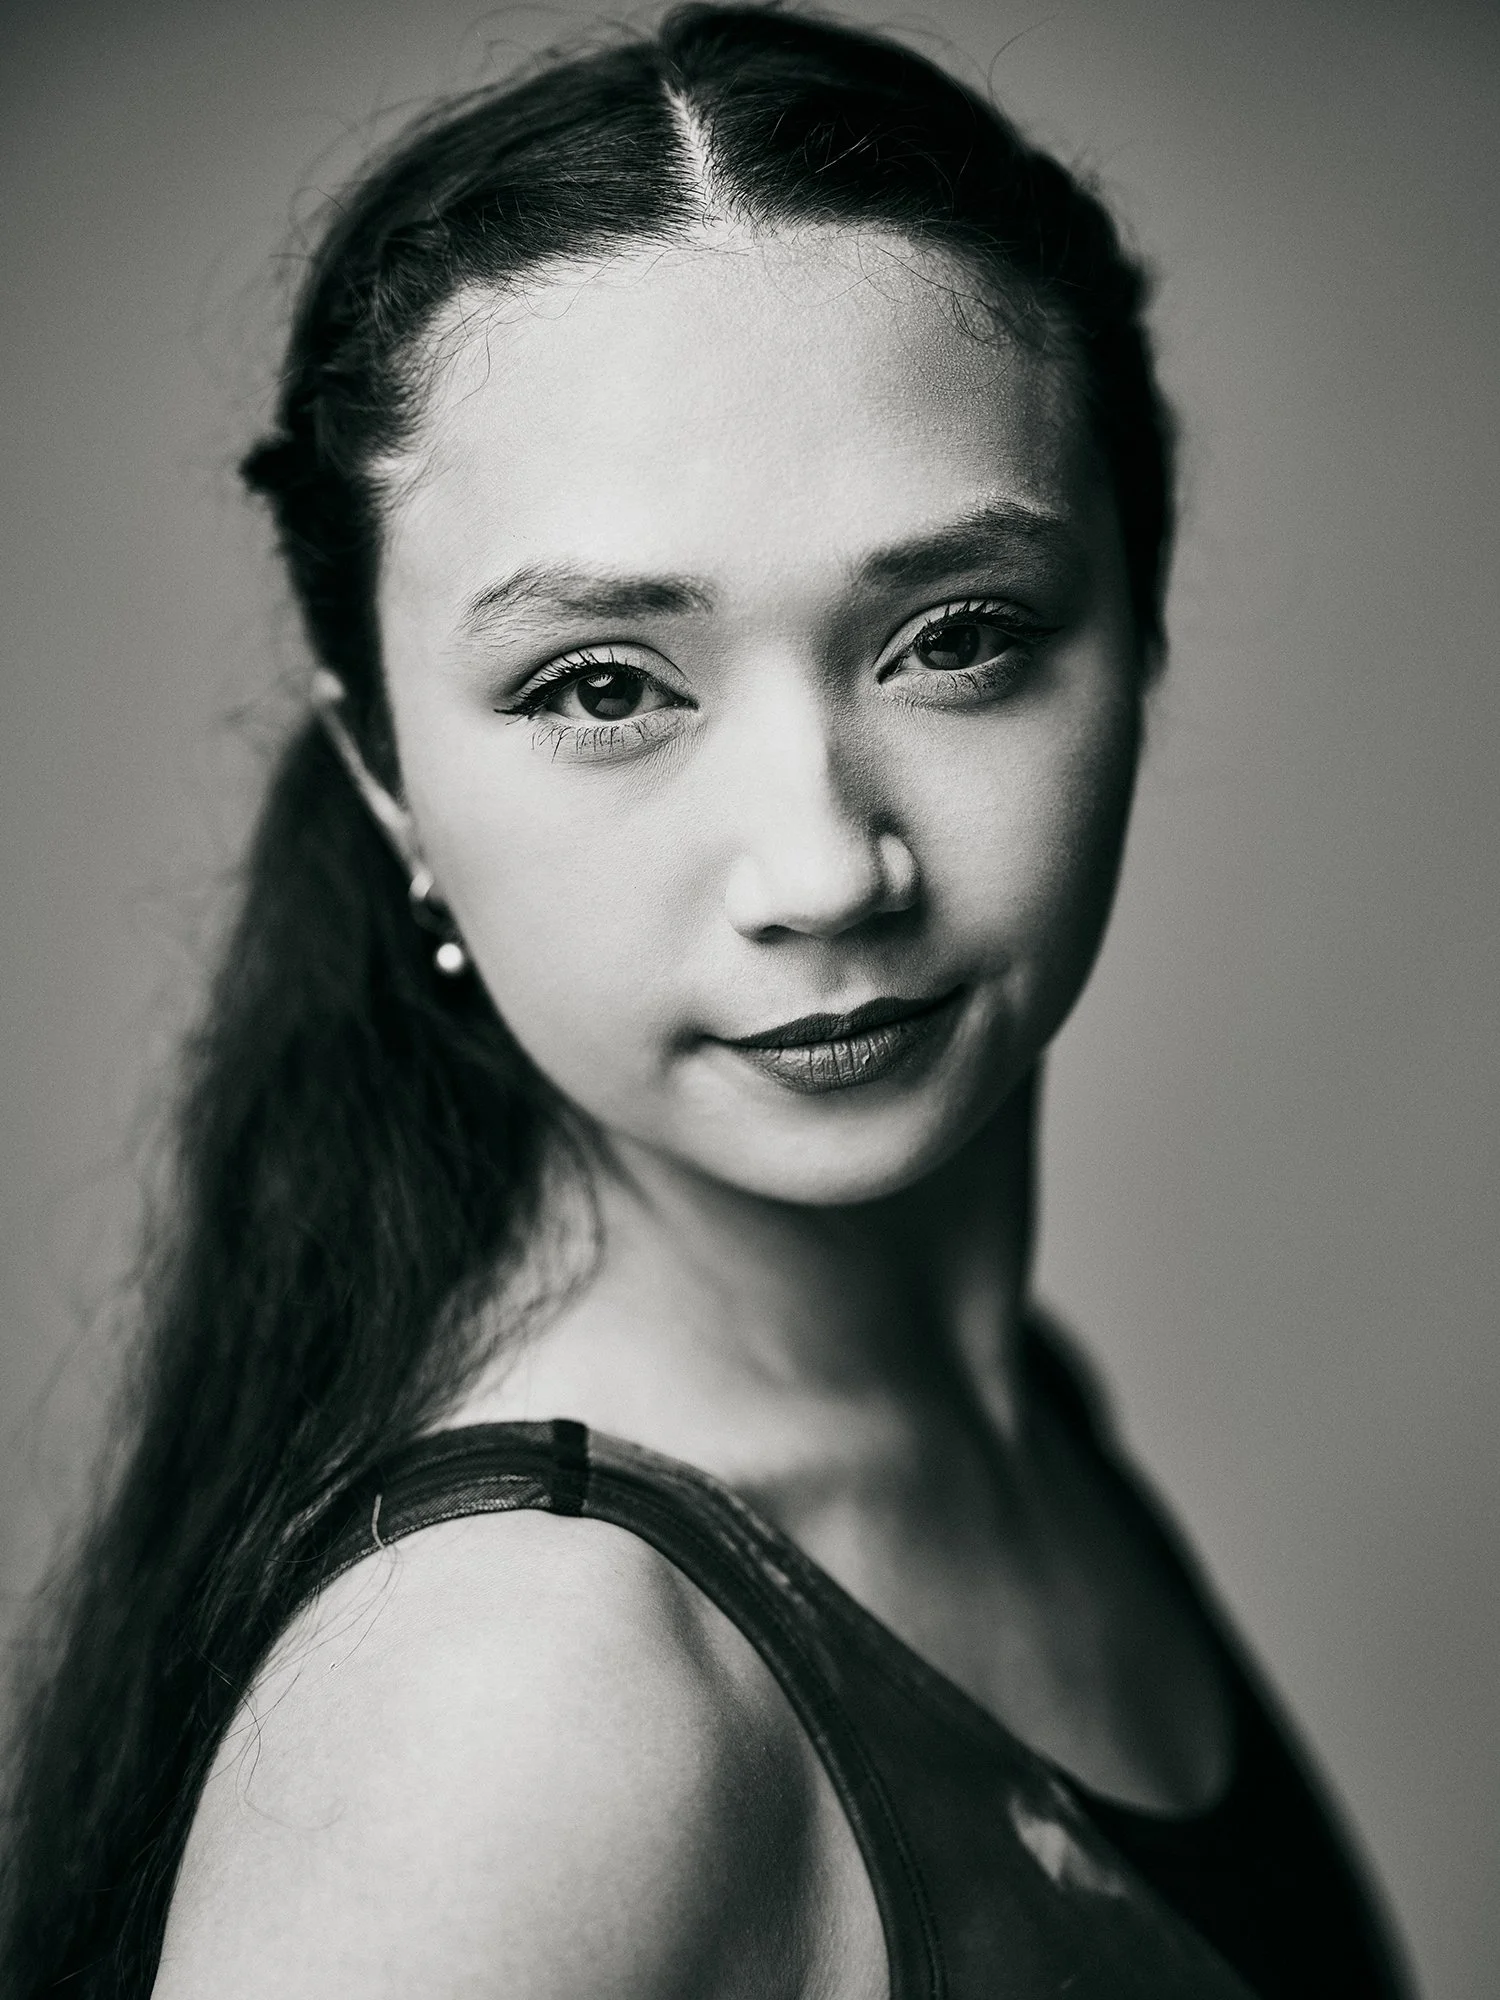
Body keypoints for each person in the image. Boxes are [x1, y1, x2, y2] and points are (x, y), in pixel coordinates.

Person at [0, 8, 1411, 1996]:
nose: (825, 866)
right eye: (601, 684)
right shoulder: (516, 1704)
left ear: (1139, 626)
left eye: (958, 638)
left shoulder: (1005, 1415)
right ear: (390, 769)